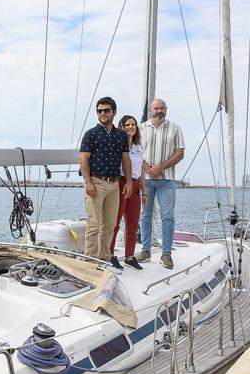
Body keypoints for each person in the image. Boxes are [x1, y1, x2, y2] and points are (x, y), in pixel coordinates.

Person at [79, 97, 131, 263]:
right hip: (96, 182)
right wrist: (88, 182)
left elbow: (125, 160)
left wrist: (129, 181)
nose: (103, 113)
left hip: (114, 184)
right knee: (94, 224)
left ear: (114, 112)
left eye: (106, 110)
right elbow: (84, 160)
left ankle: (103, 259)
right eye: (100, 111)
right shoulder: (91, 134)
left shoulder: (121, 135)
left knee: (110, 225)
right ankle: (90, 260)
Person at [138, 98, 185, 269]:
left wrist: (160, 167)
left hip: (167, 180)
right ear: (150, 110)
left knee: (168, 216)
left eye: (162, 108)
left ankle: (166, 253)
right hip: (146, 181)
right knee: (145, 216)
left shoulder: (175, 128)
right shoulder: (141, 128)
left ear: (166, 109)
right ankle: (145, 250)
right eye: (156, 108)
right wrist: (147, 168)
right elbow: (134, 152)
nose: (159, 111)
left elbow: (180, 153)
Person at [110, 115, 146, 271]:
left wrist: (144, 191)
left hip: (136, 185)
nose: (130, 127)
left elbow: (141, 172)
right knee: (115, 222)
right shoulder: (117, 145)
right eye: (127, 125)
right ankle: (110, 255)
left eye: (133, 124)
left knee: (132, 224)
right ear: (121, 127)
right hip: (122, 183)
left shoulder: (139, 147)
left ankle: (130, 257)